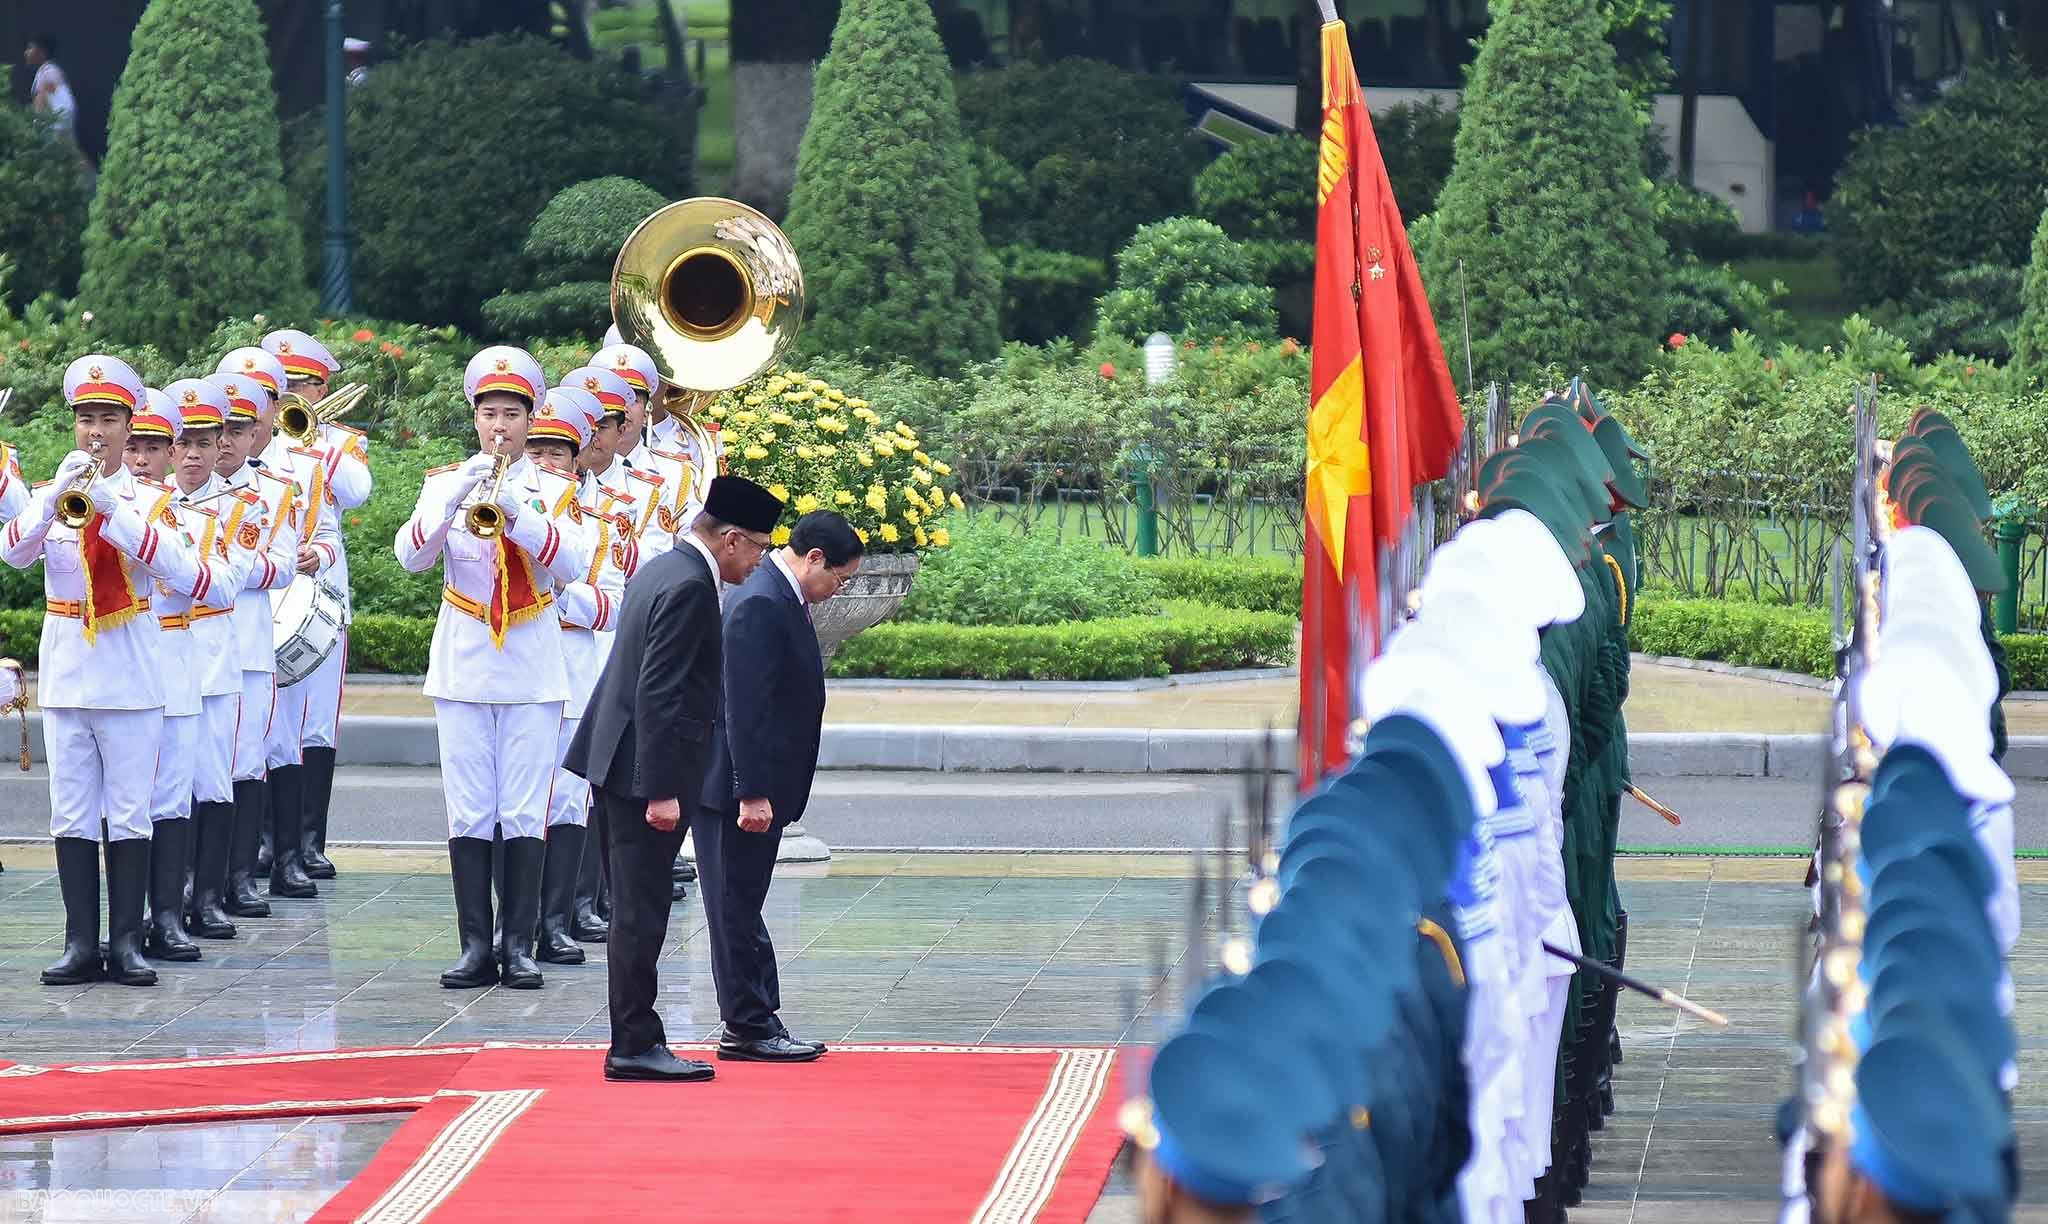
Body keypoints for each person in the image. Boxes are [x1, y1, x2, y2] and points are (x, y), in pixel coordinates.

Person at [565, 473, 783, 1083]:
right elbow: (659, 692)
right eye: (760, 547)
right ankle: (633, 1043)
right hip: (644, 773)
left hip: (621, 760)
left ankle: (636, 1037)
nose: (761, 559)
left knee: (638, 906)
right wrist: (661, 789)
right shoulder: (689, 586)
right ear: (732, 539)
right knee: (641, 909)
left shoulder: (665, 568)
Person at [394, 346, 591, 991]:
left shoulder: (557, 490)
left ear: (531, 420)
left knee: (525, 807)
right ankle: (476, 944)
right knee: (471, 808)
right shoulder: (445, 480)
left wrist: (519, 513)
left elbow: (570, 566)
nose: (499, 426)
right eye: (488, 414)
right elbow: (412, 557)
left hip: (532, 664)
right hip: (465, 662)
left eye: (511, 414)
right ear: (475, 419)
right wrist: (455, 496)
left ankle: (521, 942)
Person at [2, 356, 203, 987]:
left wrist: (114, 510)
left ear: (128, 424)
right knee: (71, 813)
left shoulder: (155, 499)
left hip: (133, 671)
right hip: (68, 669)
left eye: (110, 420)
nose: (98, 432)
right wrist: (50, 502)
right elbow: (13, 553)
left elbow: (180, 571)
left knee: (130, 810)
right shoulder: (50, 494)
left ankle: (127, 941)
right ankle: (79, 943)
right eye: (87, 419)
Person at [696, 511, 862, 1062]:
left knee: (741, 905)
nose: (837, 591)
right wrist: (751, 790)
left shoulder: (779, 594)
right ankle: (746, 1026)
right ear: (814, 558)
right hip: (736, 789)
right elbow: (741, 707)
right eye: (839, 579)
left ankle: (756, 1017)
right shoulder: (762, 601)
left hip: (753, 784)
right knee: (734, 908)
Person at [218, 346, 344, 901]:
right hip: (228, 617)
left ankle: (289, 853)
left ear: (274, 406)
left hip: (286, 608)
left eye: (257, 399)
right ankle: (227, 864)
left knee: (285, 735)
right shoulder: (200, 463)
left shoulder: (304, 466)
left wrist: (316, 553)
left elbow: (325, 539)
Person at [126, 389, 242, 962]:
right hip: (122, 662)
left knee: (175, 793)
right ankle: (131, 917)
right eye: (134, 447)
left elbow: (221, 582)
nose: (141, 459)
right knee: (127, 800)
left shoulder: (197, 519)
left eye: (152, 448)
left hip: (176, 658)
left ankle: (169, 914)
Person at [523, 384, 632, 964]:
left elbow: (614, 604)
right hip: (516, 672)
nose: (544, 462)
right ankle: (514, 924)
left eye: (557, 451)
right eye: (535, 449)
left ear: (579, 452)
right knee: (518, 802)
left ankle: (558, 918)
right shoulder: (503, 509)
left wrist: (564, 596)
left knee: (568, 799)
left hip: (573, 671)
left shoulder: (603, 521)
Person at [263, 328, 372, 880]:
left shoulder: (337, 442)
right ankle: (268, 841)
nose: (291, 399)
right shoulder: (256, 440)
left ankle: (310, 840)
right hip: (267, 588)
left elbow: (357, 492)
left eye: (301, 386)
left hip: (321, 595)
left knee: (317, 722)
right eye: (283, 389)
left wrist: (318, 439)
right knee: (267, 720)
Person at [168, 379, 259, 943]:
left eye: (208, 443)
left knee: (214, 778)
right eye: (187, 444)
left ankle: (207, 894)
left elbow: (233, 580)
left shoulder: (239, 507)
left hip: (214, 653)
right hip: (162, 656)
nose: (197, 455)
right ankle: (167, 896)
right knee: (166, 785)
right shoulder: (147, 503)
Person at [206, 370, 297, 921]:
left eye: (240, 430)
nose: (227, 442)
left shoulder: (274, 493)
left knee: (245, 762)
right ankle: (194, 882)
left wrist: (232, 569)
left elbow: (283, 564)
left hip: (246, 640)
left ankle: (238, 878)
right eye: (221, 431)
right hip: (194, 646)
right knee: (196, 769)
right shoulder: (173, 493)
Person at [25, 33, 76, 146]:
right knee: (69, 156)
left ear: (42, 53)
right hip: (63, 121)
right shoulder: (51, 70)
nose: (26, 52)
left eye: (30, 48)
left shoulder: (46, 71)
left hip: (56, 124)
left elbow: (41, 98)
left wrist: (35, 124)